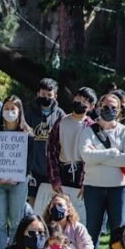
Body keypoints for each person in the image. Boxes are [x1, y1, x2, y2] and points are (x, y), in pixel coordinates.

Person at [80, 92, 125, 249]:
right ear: (99, 107)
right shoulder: (89, 131)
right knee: (92, 230)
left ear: (119, 110)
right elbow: (86, 156)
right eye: (106, 107)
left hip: (119, 189)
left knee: (118, 232)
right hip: (93, 187)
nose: (109, 110)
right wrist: (113, 153)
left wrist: (98, 156)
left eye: (114, 107)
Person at [45, 86, 96, 225]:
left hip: (83, 173)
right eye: (79, 97)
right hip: (63, 171)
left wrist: (87, 181)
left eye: (85, 100)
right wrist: (54, 178)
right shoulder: (61, 122)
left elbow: (94, 156)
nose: (81, 101)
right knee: (61, 213)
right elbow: (51, 151)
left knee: (81, 216)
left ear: (91, 106)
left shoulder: (92, 126)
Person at [0, 95, 32, 249]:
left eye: (12, 109)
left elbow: (29, 163)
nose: (9, 112)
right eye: (6, 108)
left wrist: (18, 178)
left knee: (16, 222)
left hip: (18, 184)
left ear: (19, 111)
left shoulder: (28, 134)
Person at [24, 78, 66, 205]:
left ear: (55, 96)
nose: (46, 97)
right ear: (38, 94)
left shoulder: (61, 115)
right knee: (33, 202)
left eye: (49, 95)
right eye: (43, 94)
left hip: (53, 169)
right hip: (33, 167)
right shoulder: (29, 112)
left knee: (52, 202)